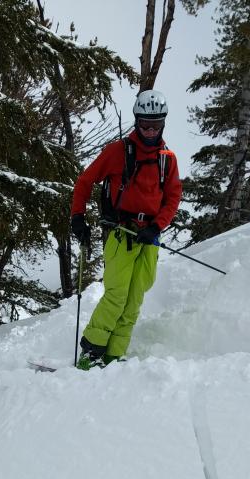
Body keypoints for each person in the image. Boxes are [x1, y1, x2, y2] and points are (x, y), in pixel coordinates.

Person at [70, 89, 183, 369]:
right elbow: (85, 182)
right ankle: (91, 354)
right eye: (144, 123)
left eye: (155, 124)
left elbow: (173, 198)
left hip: (149, 238)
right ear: (136, 121)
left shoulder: (167, 159)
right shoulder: (117, 152)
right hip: (122, 233)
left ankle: (113, 355)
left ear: (163, 124)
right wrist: (77, 217)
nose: (149, 130)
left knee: (133, 302)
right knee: (116, 296)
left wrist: (156, 226)